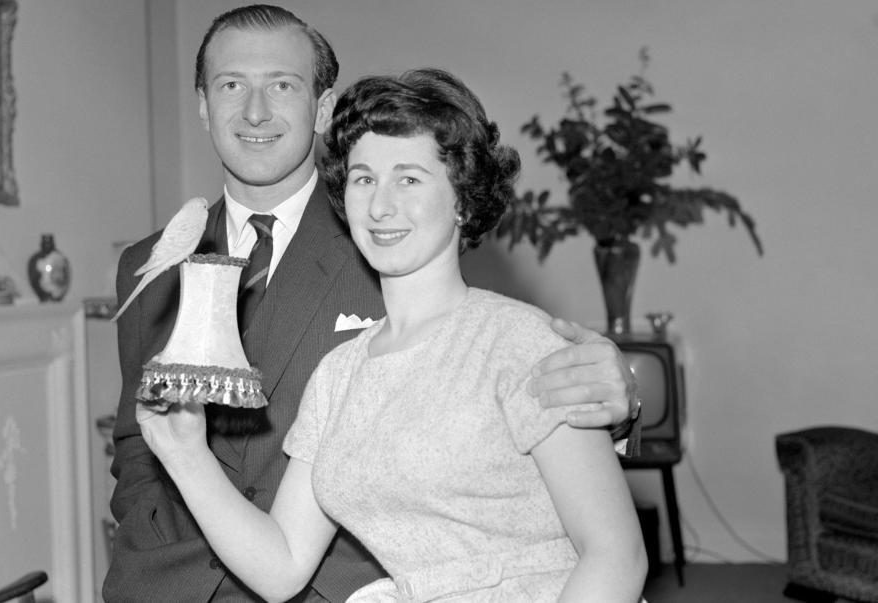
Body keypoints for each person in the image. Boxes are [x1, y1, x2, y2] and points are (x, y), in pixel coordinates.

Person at [104, 6, 639, 602]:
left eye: (282, 85)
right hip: (189, 574)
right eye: (232, 85)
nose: (381, 206)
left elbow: (606, 542)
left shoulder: (428, 277)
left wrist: (618, 398)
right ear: (203, 103)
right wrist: (179, 456)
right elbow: (148, 454)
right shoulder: (161, 270)